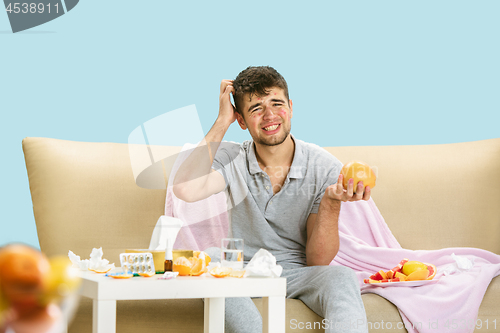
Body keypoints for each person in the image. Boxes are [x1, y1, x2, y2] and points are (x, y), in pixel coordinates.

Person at [173, 66, 370, 333]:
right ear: (241, 120)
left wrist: (331, 202)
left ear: (290, 106)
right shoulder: (233, 158)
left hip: (298, 273)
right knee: (208, 259)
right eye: (255, 109)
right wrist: (222, 121)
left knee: (341, 276)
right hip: (241, 270)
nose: (269, 115)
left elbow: (318, 260)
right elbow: (186, 189)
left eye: (277, 104)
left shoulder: (323, 166)